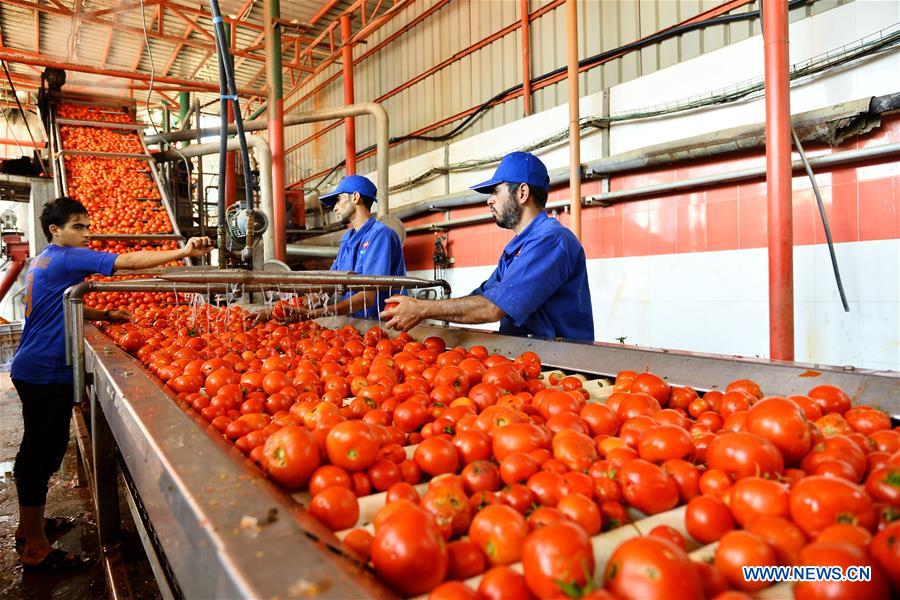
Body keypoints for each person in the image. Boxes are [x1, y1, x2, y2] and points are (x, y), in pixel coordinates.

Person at [11, 196, 213, 571]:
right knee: (40, 455)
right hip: (45, 369)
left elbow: (62, 303)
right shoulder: (68, 257)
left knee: (38, 450)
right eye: (78, 227)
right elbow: (126, 262)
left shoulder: (43, 260)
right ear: (56, 230)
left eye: (87, 226)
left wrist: (103, 312)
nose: (86, 234)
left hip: (32, 366)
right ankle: (35, 548)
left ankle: (29, 527)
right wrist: (183, 250)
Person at [382, 151, 594, 341]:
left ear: (522, 193)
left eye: (495, 191)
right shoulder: (519, 246)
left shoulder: (551, 240)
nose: (489, 201)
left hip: (559, 362)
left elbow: (492, 308)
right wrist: (421, 309)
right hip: (529, 352)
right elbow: (483, 297)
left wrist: (422, 309)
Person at [256, 175, 406, 323]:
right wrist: (280, 310)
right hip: (355, 324)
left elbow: (367, 298)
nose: (334, 208)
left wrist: (315, 313)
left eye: (338, 199)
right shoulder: (347, 239)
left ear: (355, 197)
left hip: (383, 327)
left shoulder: (380, 235)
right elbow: (327, 288)